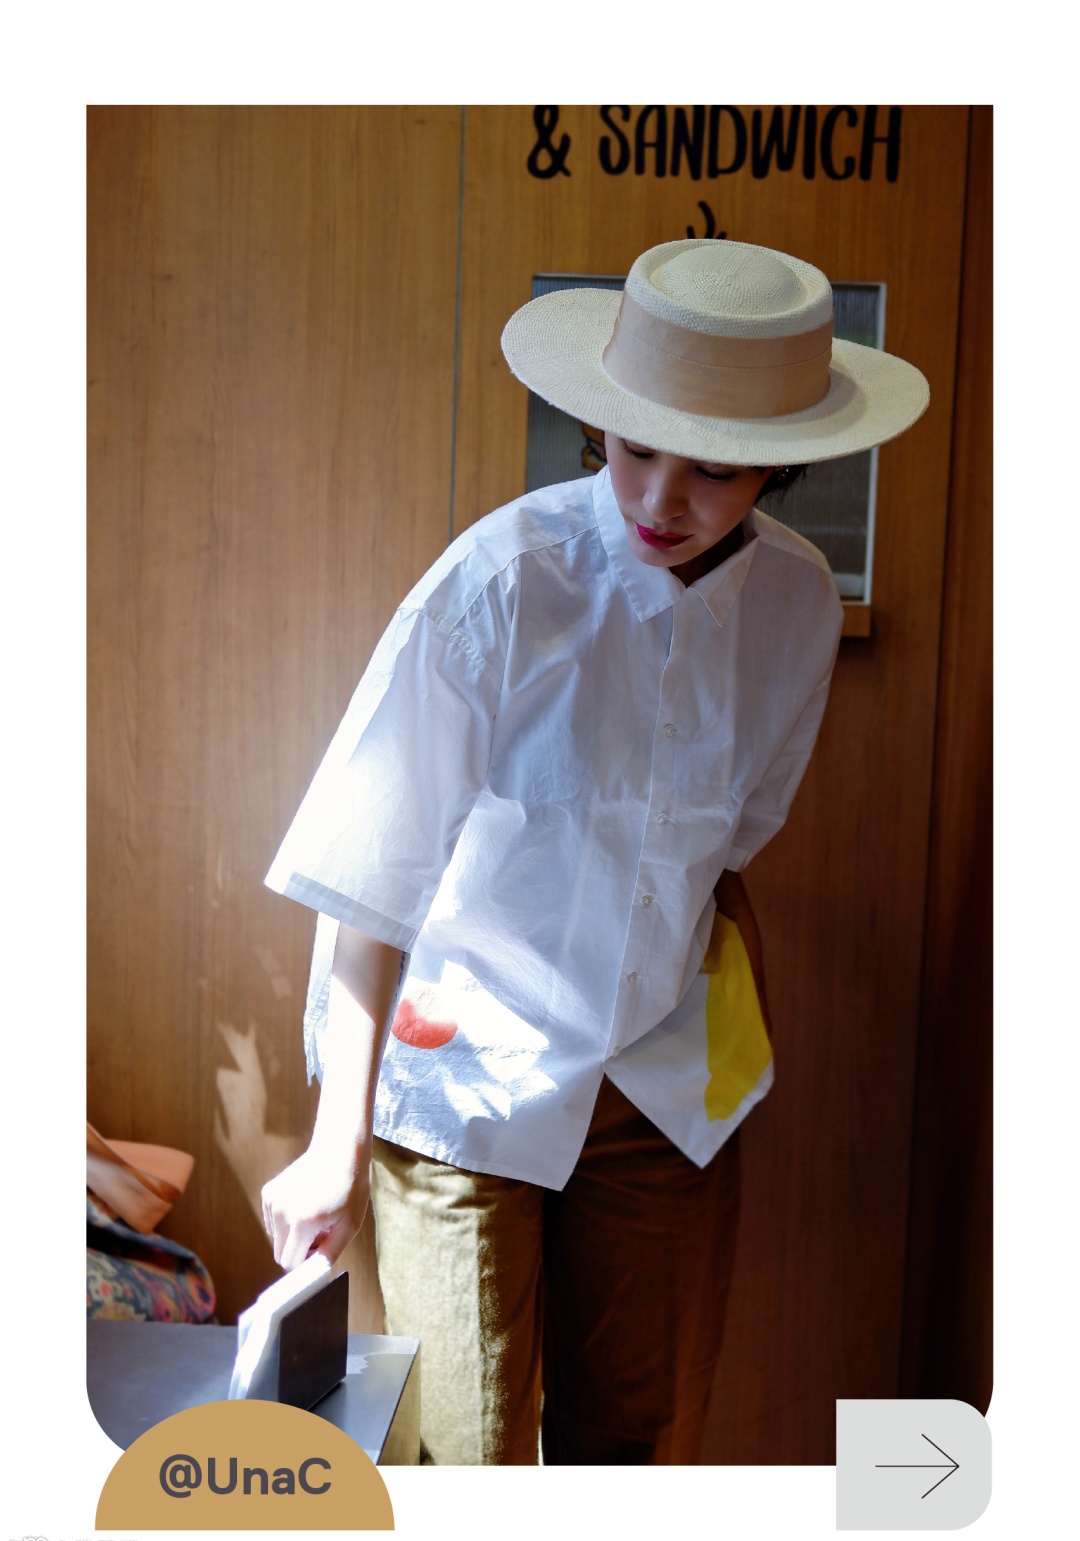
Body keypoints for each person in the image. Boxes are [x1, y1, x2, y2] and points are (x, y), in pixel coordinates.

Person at [261, 237, 929, 1465]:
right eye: (634, 448)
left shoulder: (795, 603)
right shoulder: (502, 583)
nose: (662, 499)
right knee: (467, 1456)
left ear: (778, 465)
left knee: (636, 1448)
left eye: (715, 470)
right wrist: (333, 1140)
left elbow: (730, 846)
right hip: (463, 1077)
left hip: (659, 1077)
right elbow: (368, 877)